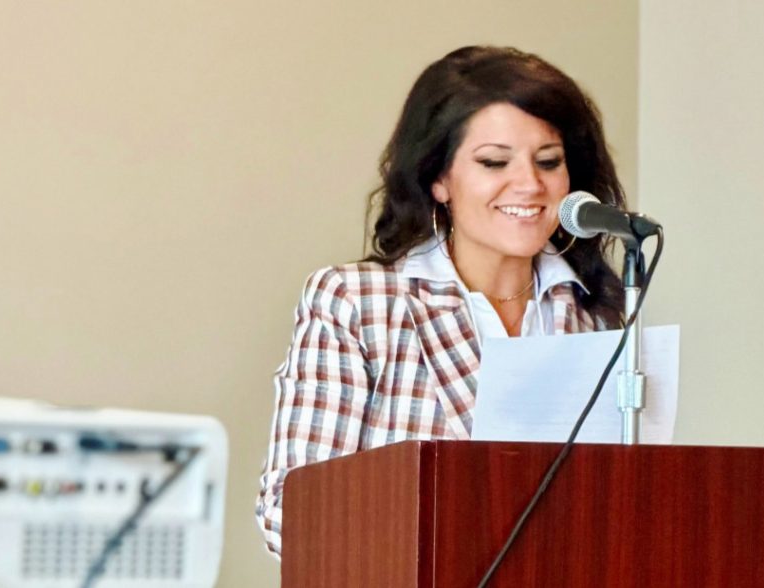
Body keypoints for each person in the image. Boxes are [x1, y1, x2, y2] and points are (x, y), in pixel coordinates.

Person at [255, 45, 627, 556]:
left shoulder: (597, 317)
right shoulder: (358, 303)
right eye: (494, 162)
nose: (530, 184)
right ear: (439, 179)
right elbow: (290, 513)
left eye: (549, 161)